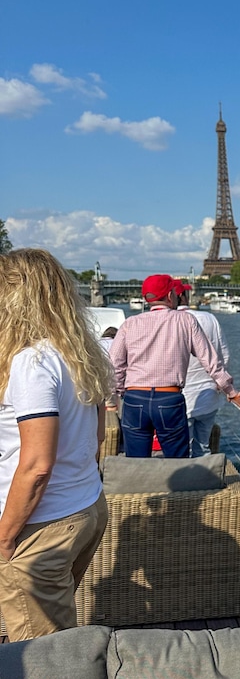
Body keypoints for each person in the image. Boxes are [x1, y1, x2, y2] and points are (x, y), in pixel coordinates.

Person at [0, 248, 111, 641]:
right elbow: (97, 437)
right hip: (86, 508)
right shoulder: (80, 354)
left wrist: (5, 536)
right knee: (52, 631)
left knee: (45, 659)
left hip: (41, 526)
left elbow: (36, 465)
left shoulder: (31, 363)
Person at [109, 274, 240, 458]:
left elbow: (114, 364)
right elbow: (210, 360)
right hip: (169, 398)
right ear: (170, 296)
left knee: (136, 462)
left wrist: (119, 393)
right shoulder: (186, 321)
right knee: (177, 462)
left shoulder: (130, 324)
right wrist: (230, 390)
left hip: (135, 397)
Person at [174, 282, 230, 456]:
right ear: (184, 296)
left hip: (179, 395)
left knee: (182, 448)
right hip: (209, 394)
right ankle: (204, 479)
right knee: (203, 446)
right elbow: (224, 354)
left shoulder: (168, 321)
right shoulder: (209, 318)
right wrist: (221, 382)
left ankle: (188, 481)